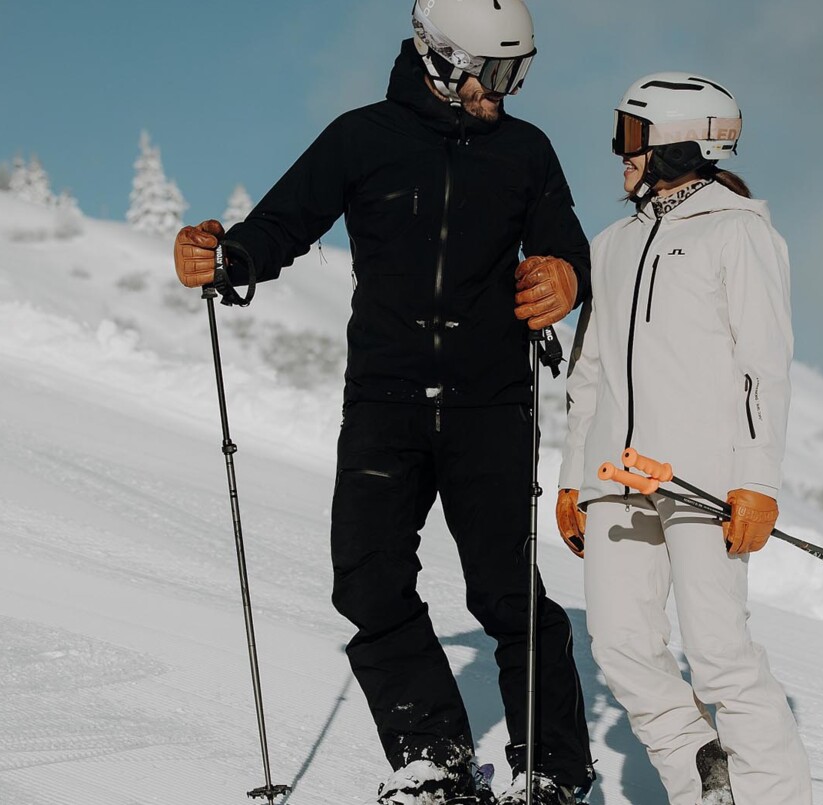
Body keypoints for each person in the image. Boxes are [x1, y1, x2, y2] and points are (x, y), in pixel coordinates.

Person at [171, 1, 594, 802]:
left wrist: (568, 275)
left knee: (507, 596)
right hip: (385, 403)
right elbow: (280, 225)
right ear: (438, 59)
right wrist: (223, 257)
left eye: (518, 72)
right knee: (367, 585)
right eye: (492, 72)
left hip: (490, 407)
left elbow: (564, 242)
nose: (503, 91)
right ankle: (436, 760)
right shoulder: (362, 138)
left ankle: (553, 774)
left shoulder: (525, 152)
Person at [555, 73, 813, 805]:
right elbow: (590, 370)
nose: (620, 154)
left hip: (702, 478)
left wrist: (756, 478)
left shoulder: (740, 232)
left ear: (678, 142)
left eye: (632, 138)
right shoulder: (611, 245)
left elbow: (765, 366)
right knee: (622, 646)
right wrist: (575, 475)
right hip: (613, 476)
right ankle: (704, 775)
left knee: (720, 653)